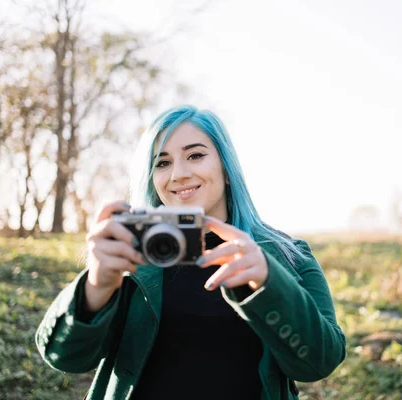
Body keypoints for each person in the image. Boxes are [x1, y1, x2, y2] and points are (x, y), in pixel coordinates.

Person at [35, 105, 346, 400]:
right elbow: (66, 359)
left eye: (195, 155)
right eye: (162, 162)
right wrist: (97, 286)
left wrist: (269, 283)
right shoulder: (128, 254)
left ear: (226, 168)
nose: (178, 174)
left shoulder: (288, 255)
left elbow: (319, 363)